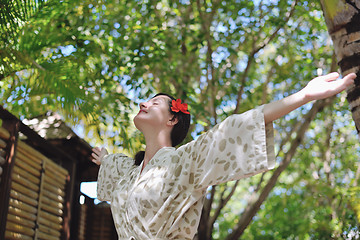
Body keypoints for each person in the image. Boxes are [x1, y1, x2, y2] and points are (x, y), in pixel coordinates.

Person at [92, 72, 356, 240]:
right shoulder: (129, 174)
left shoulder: (184, 161)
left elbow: (234, 129)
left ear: (173, 118)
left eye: (155, 102)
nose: (143, 103)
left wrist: (303, 95)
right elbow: (117, 166)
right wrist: (105, 158)